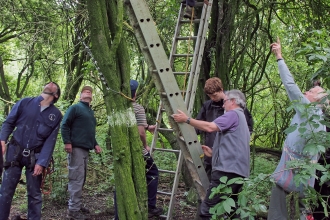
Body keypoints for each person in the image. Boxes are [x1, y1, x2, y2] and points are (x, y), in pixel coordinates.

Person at [267, 38, 327, 220]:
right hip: (305, 181)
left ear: (318, 100)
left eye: (310, 91)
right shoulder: (320, 120)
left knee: (278, 213)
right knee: (301, 213)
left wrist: (279, 57)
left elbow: (290, 86)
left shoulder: (307, 111)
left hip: (289, 178)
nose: (306, 92)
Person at [172, 89, 250, 219]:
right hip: (237, 172)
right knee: (231, 210)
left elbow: (210, 127)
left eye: (225, 102)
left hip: (226, 172)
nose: (223, 105)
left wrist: (187, 119)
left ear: (233, 101)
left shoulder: (233, 114)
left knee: (207, 210)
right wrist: (213, 153)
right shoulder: (242, 119)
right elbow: (236, 147)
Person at [0, 82, 62, 220]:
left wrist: (42, 162)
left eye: (54, 84)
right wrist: (2, 139)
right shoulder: (25, 103)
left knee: (34, 195)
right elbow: (9, 122)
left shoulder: (56, 115)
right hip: (14, 152)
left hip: (35, 157)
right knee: (5, 191)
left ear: (56, 95)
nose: (50, 83)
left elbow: (50, 142)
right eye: (48, 83)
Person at [196, 77, 253, 180]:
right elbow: (199, 125)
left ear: (221, 90)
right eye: (210, 96)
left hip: (230, 159)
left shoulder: (235, 104)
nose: (212, 98)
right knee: (209, 184)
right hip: (211, 151)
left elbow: (247, 127)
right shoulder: (207, 106)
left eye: (214, 95)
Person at [61, 86, 102, 220]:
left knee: (81, 178)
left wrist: (95, 144)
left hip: (85, 148)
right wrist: (67, 142)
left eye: (90, 91)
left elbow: (89, 132)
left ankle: (76, 205)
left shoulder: (90, 112)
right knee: (76, 178)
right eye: (85, 91)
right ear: (80, 96)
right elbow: (64, 124)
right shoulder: (75, 108)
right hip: (76, 148)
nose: (88, 92)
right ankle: (73, 210)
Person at [130, 79, 163, 218]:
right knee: (153, 172)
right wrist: (145, 146)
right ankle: (150, 206)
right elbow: (140, 132)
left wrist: (147, 126)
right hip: (138, 149)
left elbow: (135, 126)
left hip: (127, 149)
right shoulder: (137, 107)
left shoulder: (120, 107)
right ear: (135, 93)